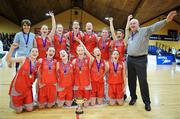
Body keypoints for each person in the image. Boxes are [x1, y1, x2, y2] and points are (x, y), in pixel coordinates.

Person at [125, 11, 177, 111]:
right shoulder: (130, 34)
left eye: (134, 23)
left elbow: (154, 27)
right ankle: (133, 98)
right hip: (130, 59)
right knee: (131, 81)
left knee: (143, 82)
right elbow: (126, 29)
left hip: (141, 59)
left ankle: (147, 102)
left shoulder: (144, 31)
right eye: (131, 23)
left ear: (138, 24)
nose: (132, 25)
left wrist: (166, 21)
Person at [6, 43, 39, 113]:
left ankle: (25, 103)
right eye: (33, 51)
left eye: (36, 52)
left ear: (38, 54)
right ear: (29, 53)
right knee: (19, 111)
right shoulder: (23, 59)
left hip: (28, 89)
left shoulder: (38, 64)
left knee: (30, 109)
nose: (34, 53)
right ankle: (21, 104)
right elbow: (8, 59)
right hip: (18, 87)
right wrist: (11, 49)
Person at [76, 38, 106, 105]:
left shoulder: (104, 62)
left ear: (100, 52)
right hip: (93, 83)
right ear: (94, 54)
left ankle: (103, 97)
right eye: (95, 52)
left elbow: (106, 72)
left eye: (98, 51)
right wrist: (80, 41)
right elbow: (85, 50)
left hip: (101, 83)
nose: (97, 52)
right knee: (93, 104)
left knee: (100, 103)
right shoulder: (92, 60)